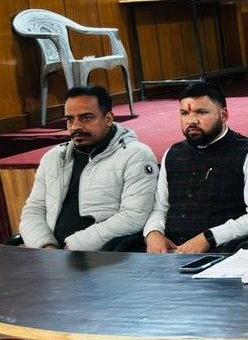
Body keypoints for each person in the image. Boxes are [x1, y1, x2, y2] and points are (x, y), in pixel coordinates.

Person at [19, 86, 158, 250]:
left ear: (108, 119)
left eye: (85, 118)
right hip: (49, 253)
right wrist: (45, 246)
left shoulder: (135, 155)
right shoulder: (53, 157)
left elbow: (134, 217)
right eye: (70, 119)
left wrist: (73, 247)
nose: (75, 126)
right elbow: (34, 210)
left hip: (100, 254)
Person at [142, 82, 248, 253]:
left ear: (223, 115)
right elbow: (160, 208)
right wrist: (153, 233)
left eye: (201, 112)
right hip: (170, 251)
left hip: (224, 251)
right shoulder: (173, 153)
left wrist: (209, 238)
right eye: (184, 113)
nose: (192, 120)